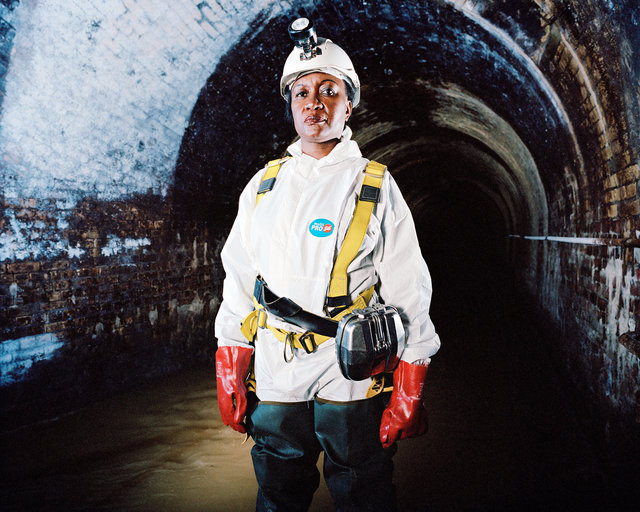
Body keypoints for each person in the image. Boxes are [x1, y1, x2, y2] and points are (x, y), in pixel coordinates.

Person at [214, 18, 440, 512]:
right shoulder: (264, 185)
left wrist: (410, 377)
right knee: (278, 490)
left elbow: (407, 286)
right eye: (302, 92)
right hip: (277, 366)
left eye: (328, 90)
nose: (313, 102)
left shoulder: (375, 185)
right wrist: (231, 357)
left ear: (349, 103)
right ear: (291, 103)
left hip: (352, 369)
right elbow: (239, 276)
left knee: (362, 488)